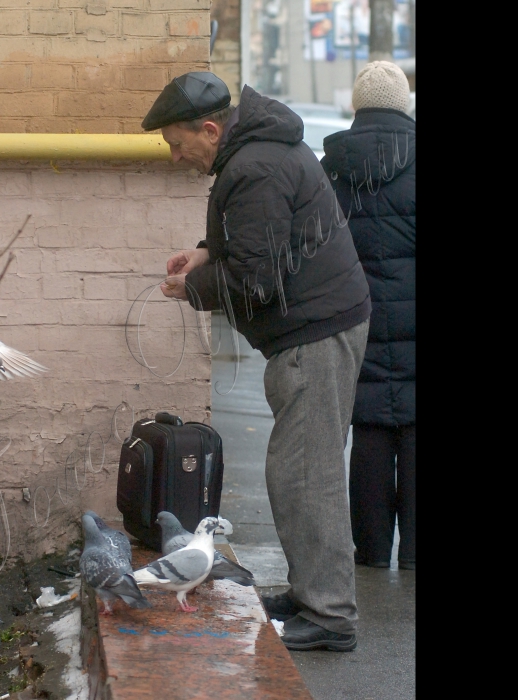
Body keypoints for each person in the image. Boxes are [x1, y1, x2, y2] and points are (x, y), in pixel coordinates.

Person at [142, 72, 371, 651]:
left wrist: (193, 288)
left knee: (304, 476)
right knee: (301, 472)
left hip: (315, 334)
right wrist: (205, 252)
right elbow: (262, 241)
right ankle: (311, 593)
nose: (175, 157)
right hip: (321, 324)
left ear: (211, 129)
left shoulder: (253, 168)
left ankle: (330, 615)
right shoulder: (258, 153)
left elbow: (256, 280)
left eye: (176, 143)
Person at [320, 61, 416, 570]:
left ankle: (373, 553)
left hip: (355, 321)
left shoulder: (332, 166)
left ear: (358, 106)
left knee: (371, 435)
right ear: (404, 105)